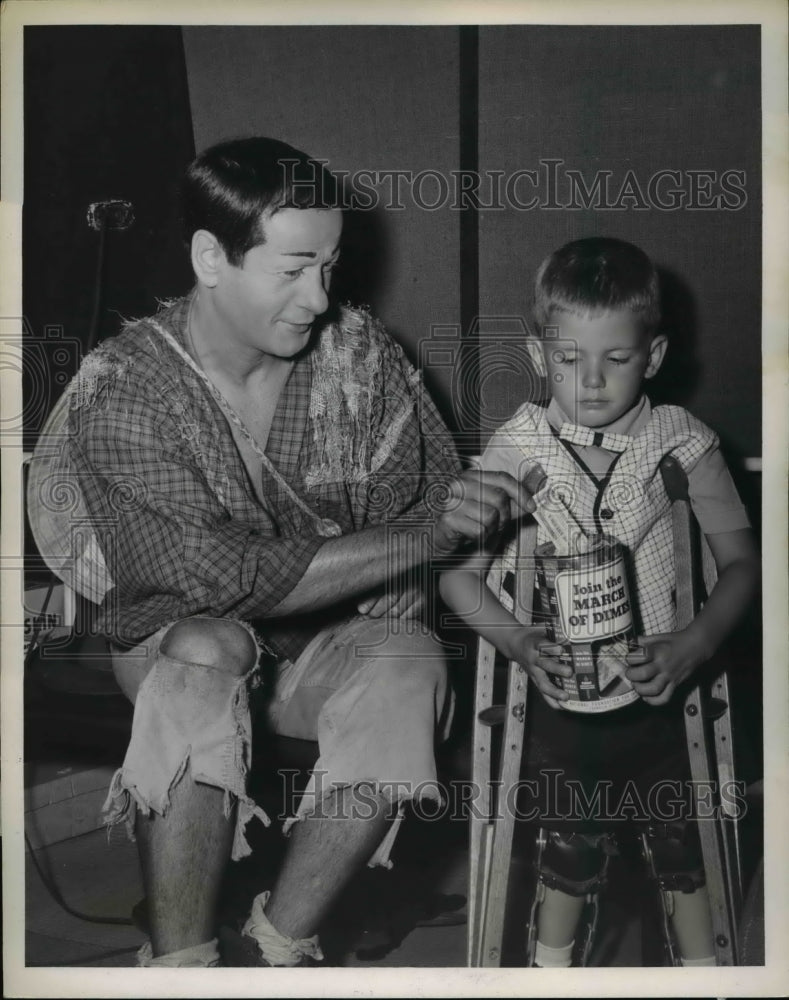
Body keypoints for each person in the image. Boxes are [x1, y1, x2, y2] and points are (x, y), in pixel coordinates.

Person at [35, 137, 533, 968]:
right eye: (294, 268)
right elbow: (221, 580)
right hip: (175, 643)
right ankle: (182, 964)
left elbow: (433, 488)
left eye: (330, 267)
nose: (319, 297)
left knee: (407, 660)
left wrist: (421, 555)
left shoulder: (360, 355)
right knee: (206, 648)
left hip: (321, 652)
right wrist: (414, 541)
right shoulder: (122, 388)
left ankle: (277, 949)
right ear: (211, 258)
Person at [439, 236, 759, 967]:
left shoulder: (682, 443)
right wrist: (517, 639)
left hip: (665, 697)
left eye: (615, 359)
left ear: (651, 356)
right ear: (534, 354)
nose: (588, 381)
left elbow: (743, 564)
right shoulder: (516, 449)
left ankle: (699, 970)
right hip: (560, 706)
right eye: (566, 360)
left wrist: (696, 642)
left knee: (684, 848)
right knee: (569, 851)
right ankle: (552, 971)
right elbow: (456, 576)